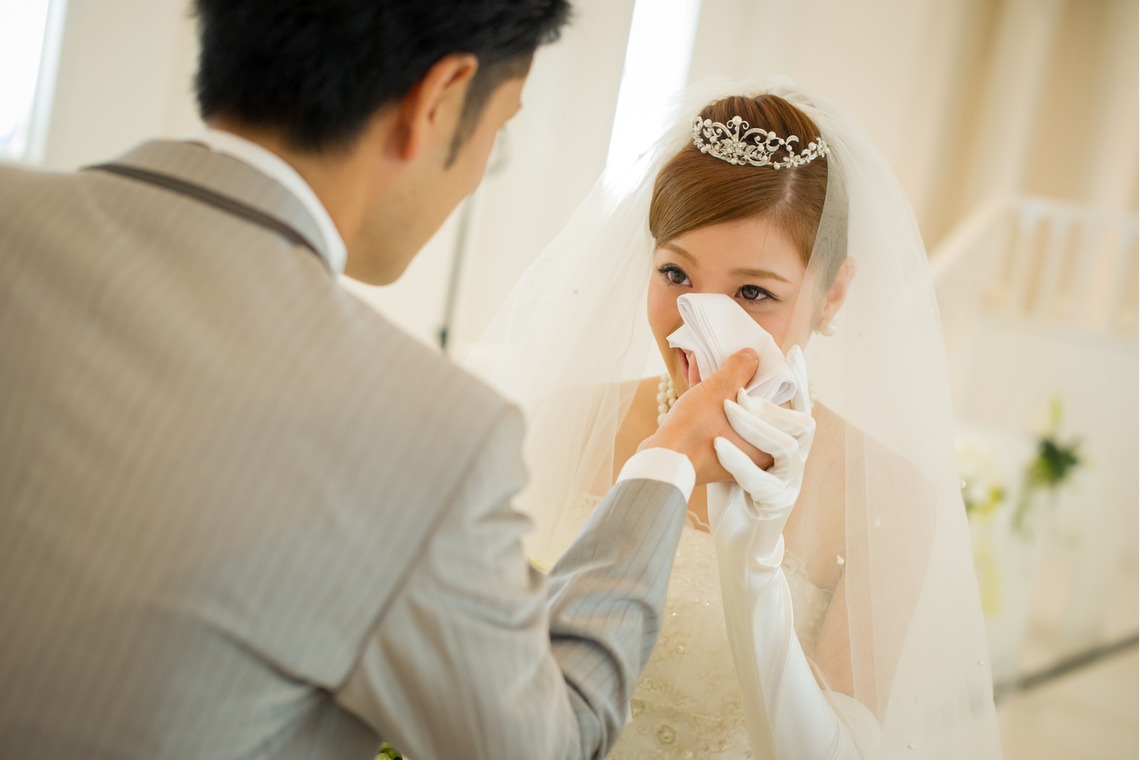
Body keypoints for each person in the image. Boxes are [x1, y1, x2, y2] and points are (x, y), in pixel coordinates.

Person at [0, 3, 770, 758]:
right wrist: (666, 461)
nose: (475, 176)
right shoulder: (427, 431)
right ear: (437, 101)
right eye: (496, 135)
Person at [467, 79, 1004, 758]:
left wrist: (753, 566)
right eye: (675, 275)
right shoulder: (564, 420)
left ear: (832, 295)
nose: (700, 326)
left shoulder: (889, 498)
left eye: (754, 292)